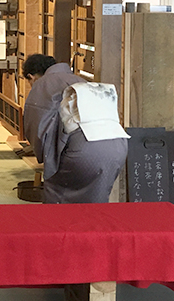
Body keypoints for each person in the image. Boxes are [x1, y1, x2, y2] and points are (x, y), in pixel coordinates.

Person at [22, 53, 128, 204]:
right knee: (97, 197)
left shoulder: (43, 83)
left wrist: (44, 155)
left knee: (58, 191)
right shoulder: (79, 80)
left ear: (31, 77)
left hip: (84, 147)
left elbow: (36, 124)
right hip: (118, 144)